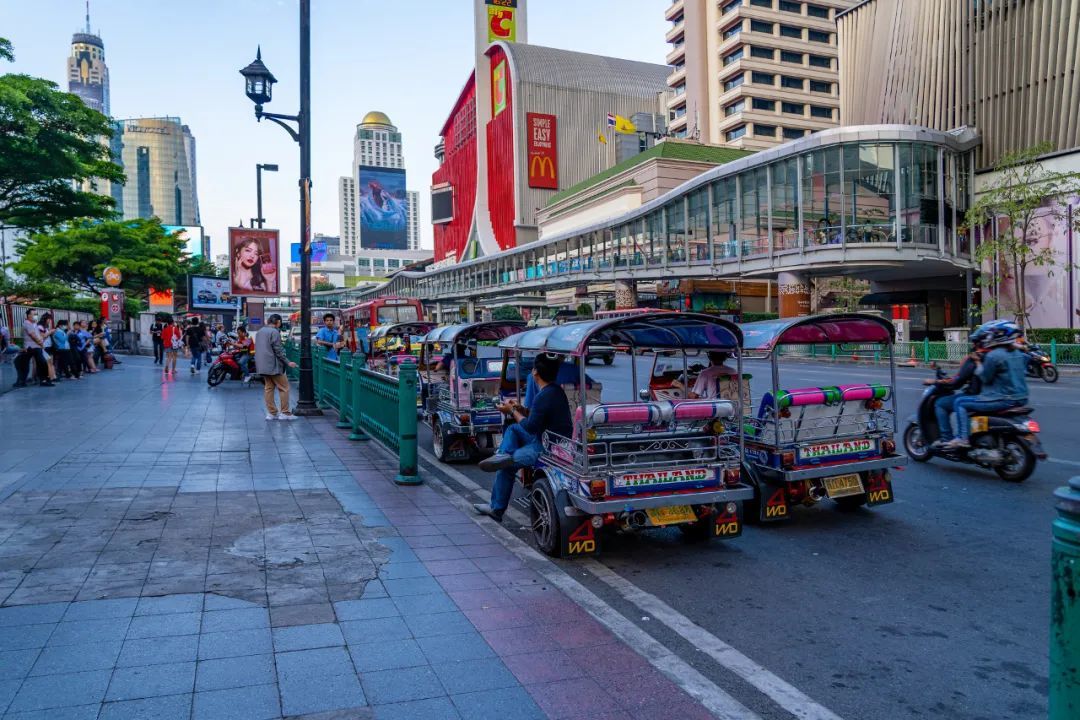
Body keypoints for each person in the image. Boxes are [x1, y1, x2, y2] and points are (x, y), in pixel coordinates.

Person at [474, 353, 572, 522]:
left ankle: (496, 508)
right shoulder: (555, 391)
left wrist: (512, 411)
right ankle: (502, 455)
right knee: (513, 428)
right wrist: (520, 409)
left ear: (535, 372)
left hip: (547, 447)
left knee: (507, 466)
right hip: (545, 437)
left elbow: (531, 426)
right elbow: (536, 419)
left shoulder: (544, 396)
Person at [946, 320, 1029, 450]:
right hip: (1021, 398)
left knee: (960, 403)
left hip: (1000, 398)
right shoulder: (1019, 354)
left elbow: (985, 378)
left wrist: (978, 362)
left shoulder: (993, 355)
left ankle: (963, 438)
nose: (989, 337)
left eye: (993, 334)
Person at [927, 337, 984, 447]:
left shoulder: (974, 358)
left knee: (941, 403)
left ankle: (947, 438)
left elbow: (957, 382)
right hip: (988, 395)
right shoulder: (992, 356)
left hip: (975, 396)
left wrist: (935, 381)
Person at [255, 313, 298, 420]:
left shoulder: (260, 331)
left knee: (268, 388)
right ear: (278, 322)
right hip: (273, 365)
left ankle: (272, 413)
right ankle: (285, 412)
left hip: (262, 365)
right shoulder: (274, 332)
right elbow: (278, 351)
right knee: (284, 387)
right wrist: (288, 362)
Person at [671, 351, 737, 399]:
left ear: (709, 357)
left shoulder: (705, 373)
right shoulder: (733, 371)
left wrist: (679, 385)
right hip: (731, 406)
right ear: (725, 358)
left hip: (716, 408)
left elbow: (693, 397)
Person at [14, 309, 53, 388]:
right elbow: (32, 335)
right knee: (25, 364)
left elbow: (37, 335)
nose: (36, 316)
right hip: (30, 347)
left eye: (36, 314)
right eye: (34, 314)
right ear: (29, 315)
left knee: (41, 363)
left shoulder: (34, 324)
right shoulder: (27, 323)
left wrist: (40, 343)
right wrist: (40, 343)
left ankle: (43, 380)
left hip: (36, 347)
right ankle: (22, 381)